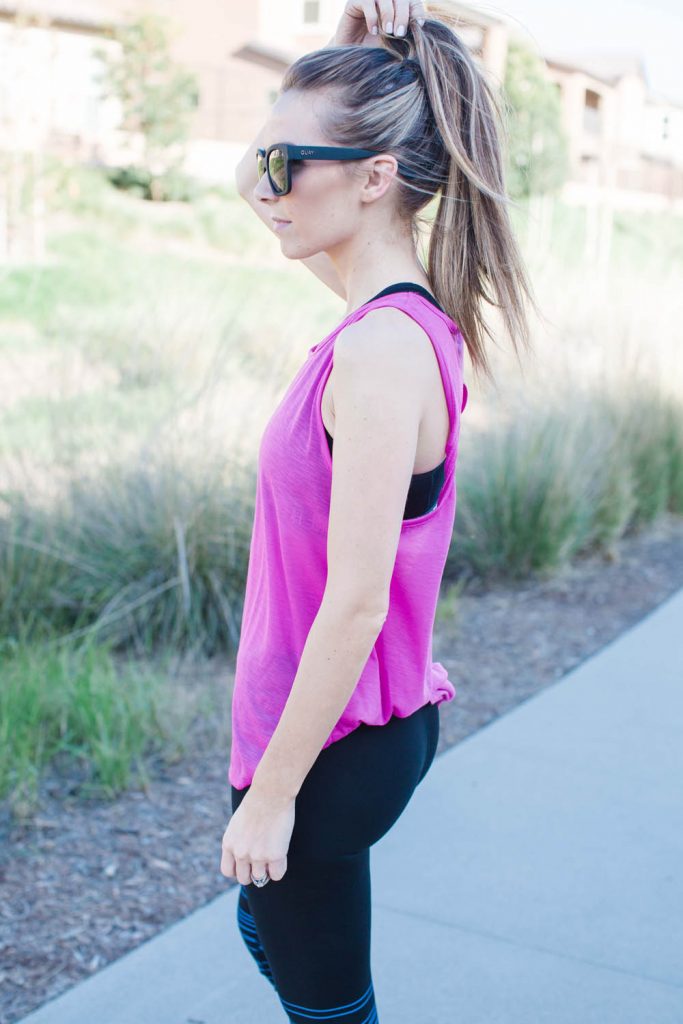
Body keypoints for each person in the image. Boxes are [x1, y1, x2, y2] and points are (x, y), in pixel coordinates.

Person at [222, 2, 541, 1020]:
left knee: (331, 1010)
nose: (265, 183)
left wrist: (273, 796)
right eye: (268, 156)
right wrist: (351, 49)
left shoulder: (377, 351)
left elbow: (357, 602)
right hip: (353, 731)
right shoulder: (396, 319)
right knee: (277, 941)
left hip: (326, 748)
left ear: (372, 179)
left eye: (286, 164)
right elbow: (247, 182)